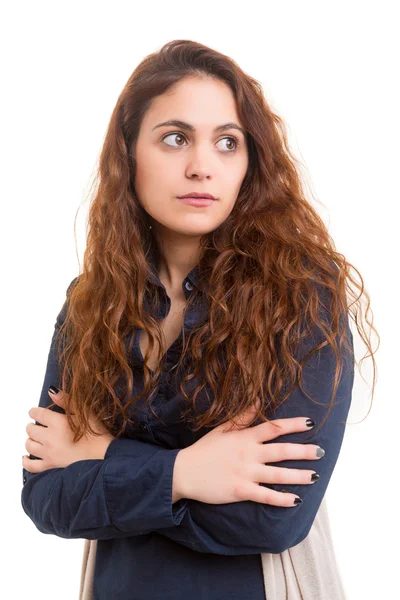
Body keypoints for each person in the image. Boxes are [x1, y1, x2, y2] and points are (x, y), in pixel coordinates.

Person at [21, 39, 377, 599]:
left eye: (227, 143)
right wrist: (188, 474)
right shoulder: (91, 302)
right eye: (174, 138)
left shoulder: (302, 297)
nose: (200, 167)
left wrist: (102, 454)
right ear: (128, 154)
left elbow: (274, 519)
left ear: (249, 164)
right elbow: (45, 496)